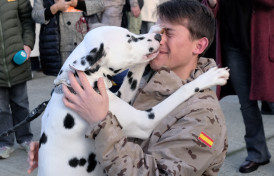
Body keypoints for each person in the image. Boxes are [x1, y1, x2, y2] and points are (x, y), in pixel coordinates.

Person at [28, 0, 228, 175]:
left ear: (199, 46)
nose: (159, 38)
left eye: (169, 33)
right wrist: (62, 149)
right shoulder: (149, 78)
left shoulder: (203, 116)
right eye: (158, 31)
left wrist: (100, 123)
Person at [204, 0, 274, 175]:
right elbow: (210, 10)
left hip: (266, 44)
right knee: (247, 104)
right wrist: (211, 3)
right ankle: (257, 153)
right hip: (233, 45)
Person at [32, 0, 137, 76]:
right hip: (57, 47)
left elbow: (99, 5)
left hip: (82, 44)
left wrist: (76, 3)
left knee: (83, 80)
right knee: (60, 83)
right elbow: (36, 16)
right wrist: (55, 8)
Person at [0, 0, 35, 159]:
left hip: (17, 59)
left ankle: (25, 138)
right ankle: (5, 142)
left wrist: (27, 45)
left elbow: (28, 20)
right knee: (1, 109)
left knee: (21, 103)